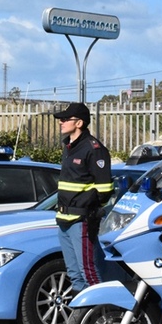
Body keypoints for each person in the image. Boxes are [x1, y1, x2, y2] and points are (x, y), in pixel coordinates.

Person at [53, 102, 113, 297]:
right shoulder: (69, 147)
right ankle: (82, 313)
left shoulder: (94, 149)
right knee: (75, 275)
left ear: (79, 123)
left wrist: (87, 208)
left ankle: (102, 310)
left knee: (89, 274)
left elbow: (105, 189)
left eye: (65, 119)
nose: (61, 122)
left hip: (81, 220)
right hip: (64, 220)